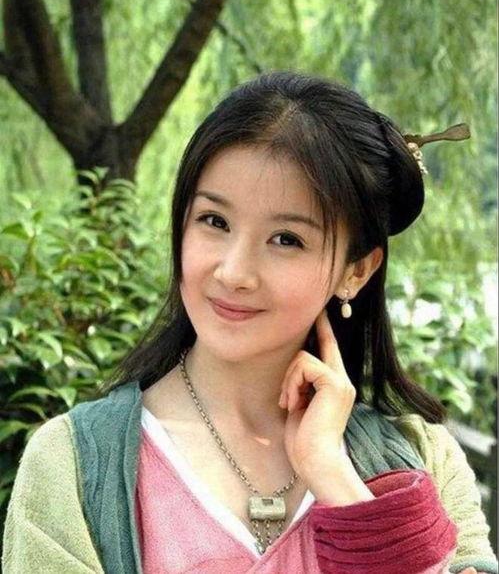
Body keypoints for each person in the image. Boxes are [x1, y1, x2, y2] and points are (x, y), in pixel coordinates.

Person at [2, 71, 497, 574]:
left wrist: (339, 483)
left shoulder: (425, 460)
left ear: (356, 271)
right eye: (214, 221)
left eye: (286, 239)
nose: (233, 272)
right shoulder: (73, 466)